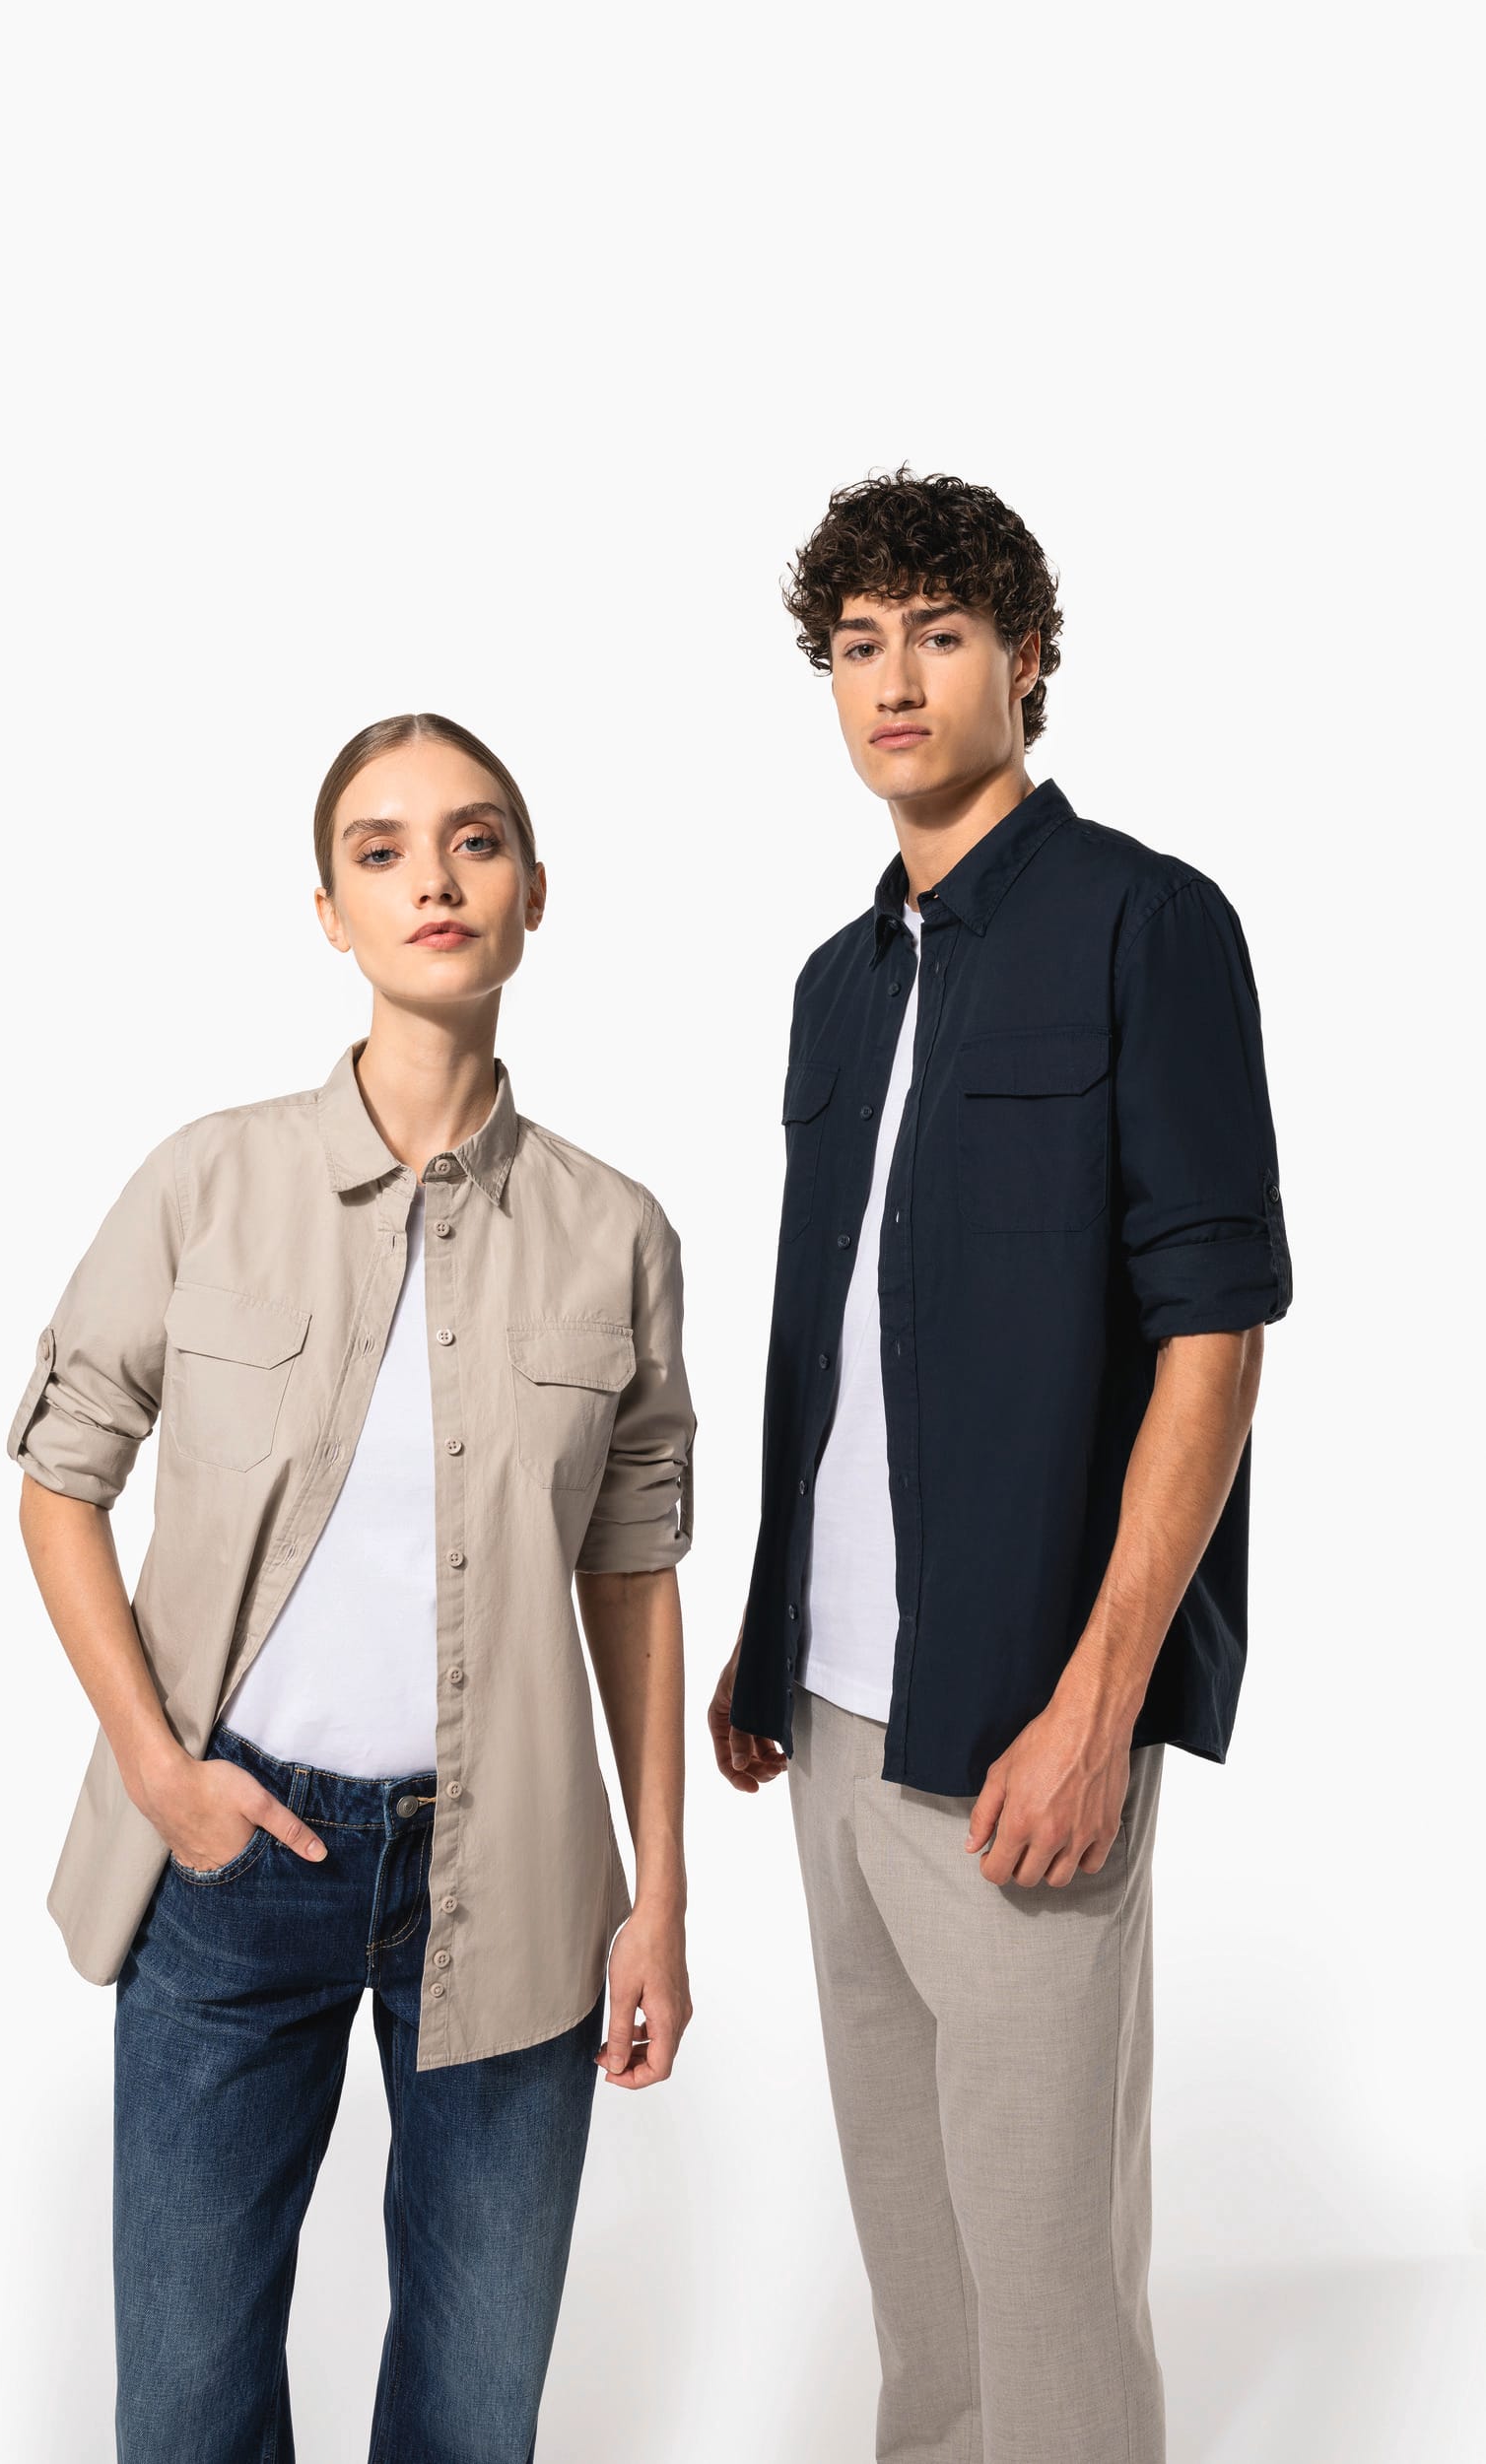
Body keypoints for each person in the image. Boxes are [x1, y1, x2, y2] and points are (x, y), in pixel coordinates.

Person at [8, 713, 697, 2464]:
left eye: (474, 841)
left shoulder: (615, 1231)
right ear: (328, 911)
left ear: (532, 892)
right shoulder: (206, 1179)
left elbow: (632, 1570)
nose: (432, 881)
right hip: (230, 1862)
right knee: (185, 2412)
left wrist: (660, 1898)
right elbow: (60, 1480)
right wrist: (161, 1773)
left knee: (473, 2413)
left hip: (515, 1872)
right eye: (380, 851)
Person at [709, 468, 1292, 2464]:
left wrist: (1097, 1702)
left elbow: (1212, 1335)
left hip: (1023, 1720)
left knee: (1042, 2292)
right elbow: (828, 1334)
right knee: (921, 2287)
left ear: (1023, 658)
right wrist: (770, 1623)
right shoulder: (834, 981)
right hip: (828, 1717)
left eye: (938, 634)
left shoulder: (1146, 923)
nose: (894, 680)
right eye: (857, 642)